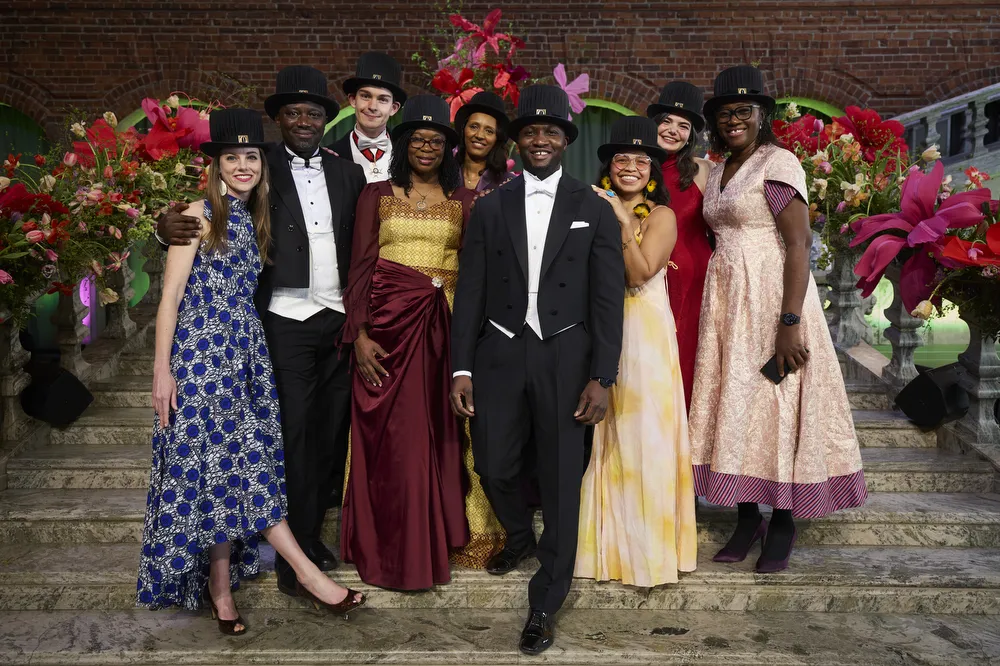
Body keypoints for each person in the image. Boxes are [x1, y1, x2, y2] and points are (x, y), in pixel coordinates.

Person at [139, 108, 364, 635]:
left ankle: (221, 590)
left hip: (245, 355)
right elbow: (169, 297)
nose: (243, 165)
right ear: (215, 165)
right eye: (231, 157)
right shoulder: (200, 214)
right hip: (201, 358)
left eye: (250, 156)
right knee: (246, 470)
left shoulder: (252, 215)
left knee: (223, 472)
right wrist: (161, 371)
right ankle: (309, 575)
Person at [450, 85, 625, 655]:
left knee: (559, 481)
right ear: (517, 141)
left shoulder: (592, 207)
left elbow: (606, 299)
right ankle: (520, 536)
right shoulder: (491, 205)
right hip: (499, 351)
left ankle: (544, 602)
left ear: (565, 141)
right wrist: (460, 369)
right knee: (495, 462)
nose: (541, 139)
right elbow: (471, 289)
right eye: (530, 131)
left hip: (566, 355)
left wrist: (604, 375)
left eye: (551, 131)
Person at [689, 65, 867, 573]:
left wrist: (789, 320)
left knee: (778, 397)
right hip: (726, 300)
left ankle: (783, 520)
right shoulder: (720, 169)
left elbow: (798, 243)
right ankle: (748, 517)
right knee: (736, 401)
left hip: (772, 296)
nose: (733, 121)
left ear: (761, 114)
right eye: (724, 114)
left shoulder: (778, 162)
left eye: (743, 111)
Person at [340, 95, 480, 590]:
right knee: (391, 442)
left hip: (441, 333)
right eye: (417, 139)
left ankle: (434, 537)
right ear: (402, 144)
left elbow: (473, 275)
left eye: (436, 141)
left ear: (448, 149)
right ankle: (388, 541)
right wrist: (357, 335)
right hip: (384, 334)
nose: (426, 147)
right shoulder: (376, 194)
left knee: (436, 439)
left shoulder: (464, 202)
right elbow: (359, 269)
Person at [576, 116, 698, 587]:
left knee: (642, 435)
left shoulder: (661, 216)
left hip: (644, 333)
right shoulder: (587, 202)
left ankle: (648, 554)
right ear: (608, 164)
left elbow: (641, 271)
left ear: (653, 170)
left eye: (641, 160)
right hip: (597, 329)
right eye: (621, 159)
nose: (630, 167)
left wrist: (624, 219)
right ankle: (605, 552)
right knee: (605, 440)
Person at [646, 81, 713, 409]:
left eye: (683, 125)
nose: (673, 130)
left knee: (689, 360)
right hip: (647, 280)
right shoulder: (636, 169)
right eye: (666, 121)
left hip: (695, 284)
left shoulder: (703, 170)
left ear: (691, 135)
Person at [329, 52, 406, 183]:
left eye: (382, 99)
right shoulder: (331, 156)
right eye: (366, 96)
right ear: (353, 100)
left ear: (394, 108)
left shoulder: (407, 154)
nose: (372, 106)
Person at [454, 90, 517, 193]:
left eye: (489, 131)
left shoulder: (509, 185)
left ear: (497, 138)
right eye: (474, 127)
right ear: (463, 129)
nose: (479, 135)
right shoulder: (441, 178)